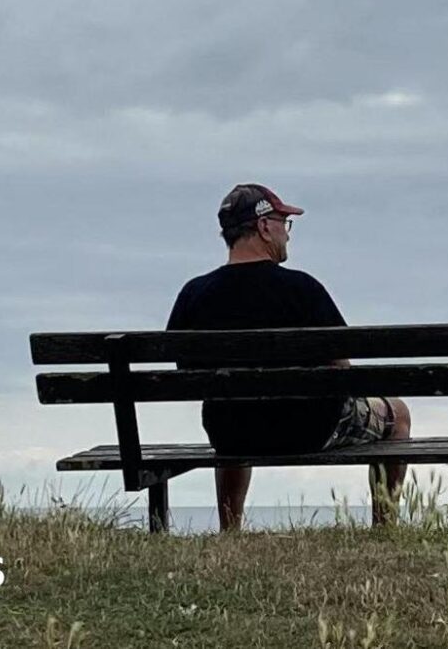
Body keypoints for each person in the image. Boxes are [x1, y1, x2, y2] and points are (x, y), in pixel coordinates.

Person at [166, 183, 412, 531]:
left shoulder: (194, 294)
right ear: (264, 227)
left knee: (230, 405)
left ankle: (230, 530)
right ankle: (386, 528)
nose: (288, 235)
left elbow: (184, 370)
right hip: (310, 429)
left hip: (231, 434)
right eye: (284, 223)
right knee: (397, 413)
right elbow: (344, 369)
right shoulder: (303, 290)